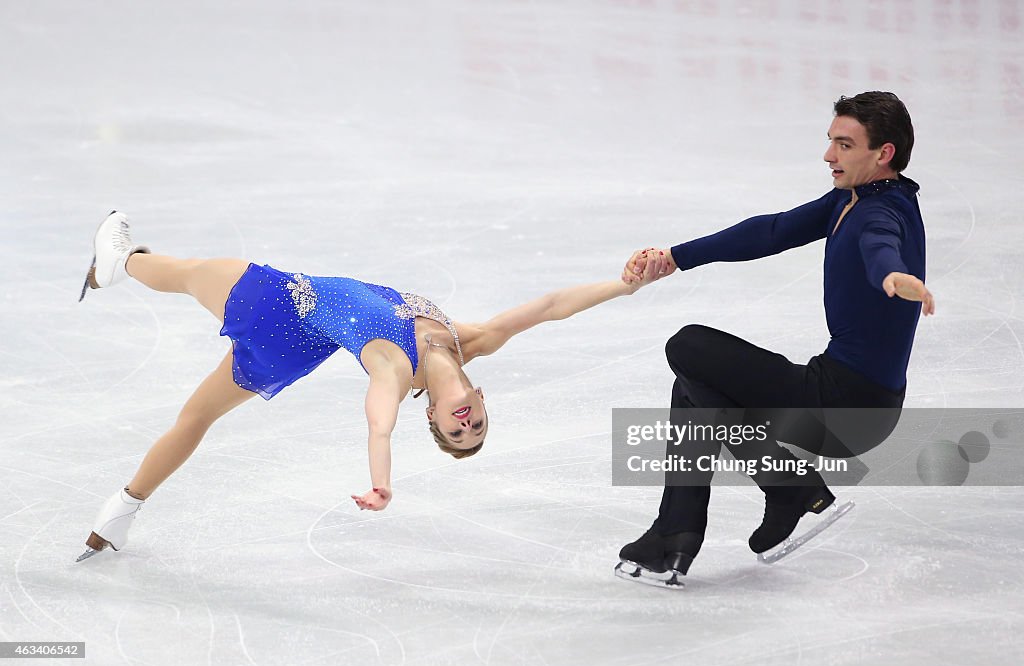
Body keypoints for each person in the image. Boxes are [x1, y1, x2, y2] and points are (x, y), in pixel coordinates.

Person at [75, 211, 661, 562]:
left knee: (185, 275)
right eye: (476, 425)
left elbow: (380, 420)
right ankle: (119, 514)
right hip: (304, 344)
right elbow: (551, 306)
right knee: (196, 416)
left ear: (431, 415)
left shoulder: (396, 368)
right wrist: (624, 286)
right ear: (480, 401)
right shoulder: (471, 339)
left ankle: (119, 262)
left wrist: (382, 484)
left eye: (455, 433)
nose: (467, 424)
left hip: (278, 303)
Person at [615, 91, 935, 588]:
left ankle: (786, 487)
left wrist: (894, 276)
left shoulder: (877, 214)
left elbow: (881, 248)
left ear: (884, 152)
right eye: (831, 141)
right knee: (693, 386)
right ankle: (674, 536)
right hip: (856, 399)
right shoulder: (852, 199)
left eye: (845, 144)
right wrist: (676, 256)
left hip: (847, 405)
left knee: (688, 345)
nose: (829, 155)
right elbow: (770, 232)